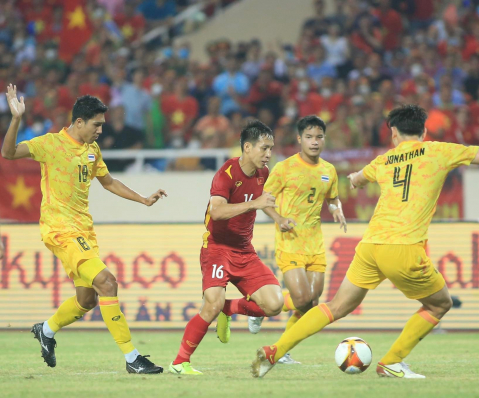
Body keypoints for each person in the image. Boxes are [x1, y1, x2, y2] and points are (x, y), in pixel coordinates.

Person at [251, 104, 479, 379]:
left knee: (335, 307)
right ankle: (392, 362)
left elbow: (358, 178)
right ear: (423, 130)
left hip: (370, 247)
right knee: (440, 303)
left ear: (394, 133)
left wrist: (355, 179)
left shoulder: (385, 159)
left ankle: (273, 351)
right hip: (404, 248)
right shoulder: (439, 151)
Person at [0, 85, 167, 374]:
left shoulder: (92, 150)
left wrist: (142, 198)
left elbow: (109, 182)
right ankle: (133, 358)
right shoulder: (49, 144)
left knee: (87, 299)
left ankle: (47, 330)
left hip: (84, 231)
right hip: (60, 229)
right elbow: (9, 152)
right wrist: (16, 119)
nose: (101, 130)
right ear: (79, 122)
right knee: (107, 283)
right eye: (97, 124)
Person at [169, 120, 284, 376]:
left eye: (271, 148)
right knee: (210, 305)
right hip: (217, 248)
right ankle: (180, 362)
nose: (268, 154)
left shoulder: (262, 174)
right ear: (247, 147)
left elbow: (260, 202)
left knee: (275, 304)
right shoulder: (226, 173)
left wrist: (278, 218)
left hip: (245, 251)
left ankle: (228, 308)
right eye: (264, 148)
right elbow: (218, 211)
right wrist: (254, 203)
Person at [247, 115, 346, 365]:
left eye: (319, 137)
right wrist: (279, 218)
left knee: (310, 303)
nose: (314, 142)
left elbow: (332, 198)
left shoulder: (328, 171)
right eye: (309, 137)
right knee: (301, 298)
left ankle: (282, 350)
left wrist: (336, 208)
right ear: (299, 139)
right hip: (290, 240)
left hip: (315, 243)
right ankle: (260, 306)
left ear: (324, 139)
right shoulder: (284, 168)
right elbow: (263, 200)